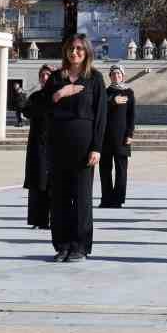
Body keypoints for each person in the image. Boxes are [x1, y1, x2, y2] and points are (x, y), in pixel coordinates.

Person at [46, 34, 108, 263]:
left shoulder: (95, 79)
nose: (75, 52)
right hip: (58, 145)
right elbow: (42, 109)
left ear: (87, 52)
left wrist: (97, 148)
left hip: (84, 147)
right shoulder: (55, 78)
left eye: (80, 49)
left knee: (81, 197)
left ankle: (80, 245)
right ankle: (62, 244)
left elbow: (101, 116)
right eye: (71, 48)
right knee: (59, 198)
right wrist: (60, 93)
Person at [99, 64, 135, 208]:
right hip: (105, 137)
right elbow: (99, 110)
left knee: (121, 170)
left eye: (118, 74)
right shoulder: (105, 92)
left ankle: (118, 199)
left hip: (121, 137)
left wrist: (130, 133)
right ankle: (106, 198)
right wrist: (112, 101)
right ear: (110, 77)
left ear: (123, 76)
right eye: (113, 74)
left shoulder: (129, 93)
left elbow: (131, 115)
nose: (116, 76)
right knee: (105, 169)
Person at [22, 64, 54, 229]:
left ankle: (51, 218)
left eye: (48, 75)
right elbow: (27, 112)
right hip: (36, 144)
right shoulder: (35, 96)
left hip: (54, 143)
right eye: (42, 75)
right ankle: (37, 219)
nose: (45, 78)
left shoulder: (58, 96)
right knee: (37, 182)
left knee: (51, 183)